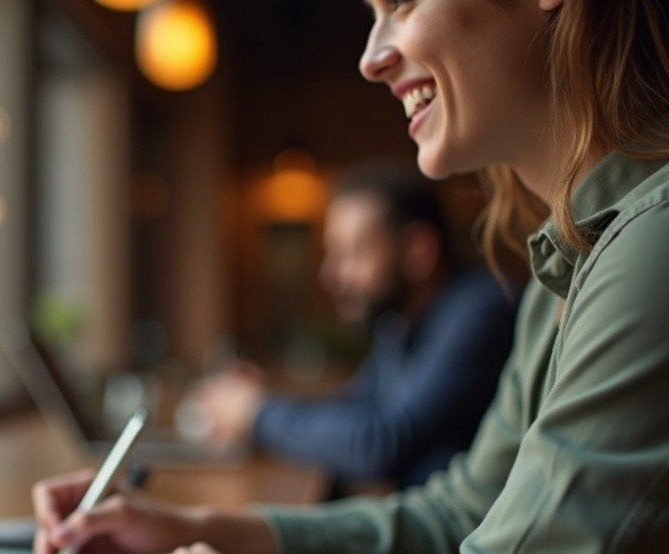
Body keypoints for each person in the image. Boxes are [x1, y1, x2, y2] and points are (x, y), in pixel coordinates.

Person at [31, 0, 669, 554]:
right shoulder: (573, 266)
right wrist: (198, 531)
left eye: (400, 5)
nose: (371, 56)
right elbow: (460, 515)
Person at [193, 165, 518, 491]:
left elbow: (382, 444)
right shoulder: (402, 320)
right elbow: (360, 405)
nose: (330, 275)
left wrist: (256, 415)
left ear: (418, 251)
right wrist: (264, 400)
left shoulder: (481, 310)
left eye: (352, 254)